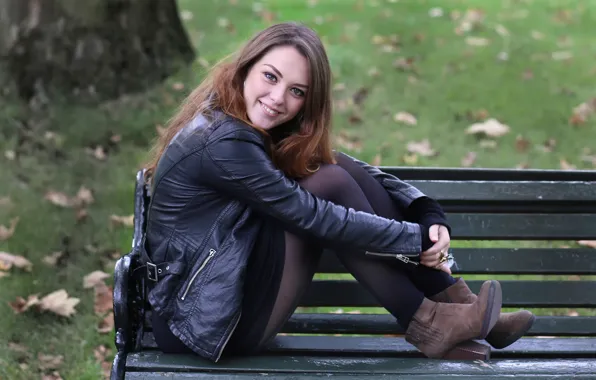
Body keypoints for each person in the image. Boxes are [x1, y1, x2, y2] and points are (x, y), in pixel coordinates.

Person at [140, 22, 534, 362]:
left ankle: (460, 310)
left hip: (221, 297)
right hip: (197, 322)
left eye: (297, 91)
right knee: (330, 185)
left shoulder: (242, 114)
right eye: (270, 77)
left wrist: (427, 213)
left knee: (333, 171)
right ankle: (430, 323)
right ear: (246, 68)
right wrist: (416, 241)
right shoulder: (224, 142)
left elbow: (357, 169)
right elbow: (311, 214)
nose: (278, 99)